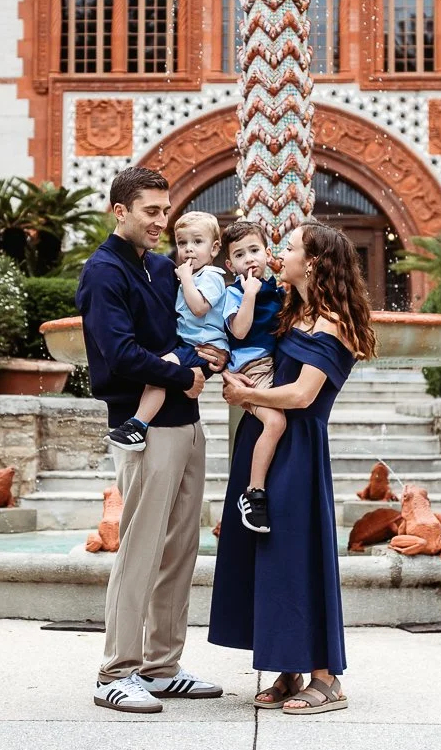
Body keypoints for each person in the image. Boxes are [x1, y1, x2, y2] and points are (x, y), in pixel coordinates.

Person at [77, 167, 230, 714]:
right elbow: (118, 356)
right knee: (140, 548)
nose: (162, 221)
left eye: (165, 211)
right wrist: (184, 371)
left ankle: (161, 667)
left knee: (180, 549)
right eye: (151, 211)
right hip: (145, 428)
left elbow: (196, 331)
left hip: (188, 422)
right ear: (120, 211)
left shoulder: (163, 268)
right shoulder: (103, 273)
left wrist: (207, 362)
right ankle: (115, 671)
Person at [208, 221, 377, 715]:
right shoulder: (294, 312)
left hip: (299, 451)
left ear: (316, 261)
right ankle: (289, 667)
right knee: (268, 555)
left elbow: (303, 395)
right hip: (265, 443)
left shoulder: (333, 325)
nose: (281, 253)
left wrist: (245, 394)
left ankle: (327, 680)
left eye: (291, 246)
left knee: (299, 554)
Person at [107, 211, 230, 452]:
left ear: (215, 249)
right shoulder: (189, 275)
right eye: (182, 243)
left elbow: (198, 308)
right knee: (161, 372)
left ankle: (138, 424)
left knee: (161, 370)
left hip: (201, 347)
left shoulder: (212, 278)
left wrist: (185, 279)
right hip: (190, 345)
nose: (189, 249)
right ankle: (138, 424)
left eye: (197, 242)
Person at [220, 219, 286, 534]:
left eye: (254, 250)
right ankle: (253, 493)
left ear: (267, 252)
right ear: (230, 263)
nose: (249, 259)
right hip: (249, 368)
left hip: (272, 363)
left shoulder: (277, 288)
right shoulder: (233, 294)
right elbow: (240, 330)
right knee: (276, 422)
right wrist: (248, 295)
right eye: (240, 254)